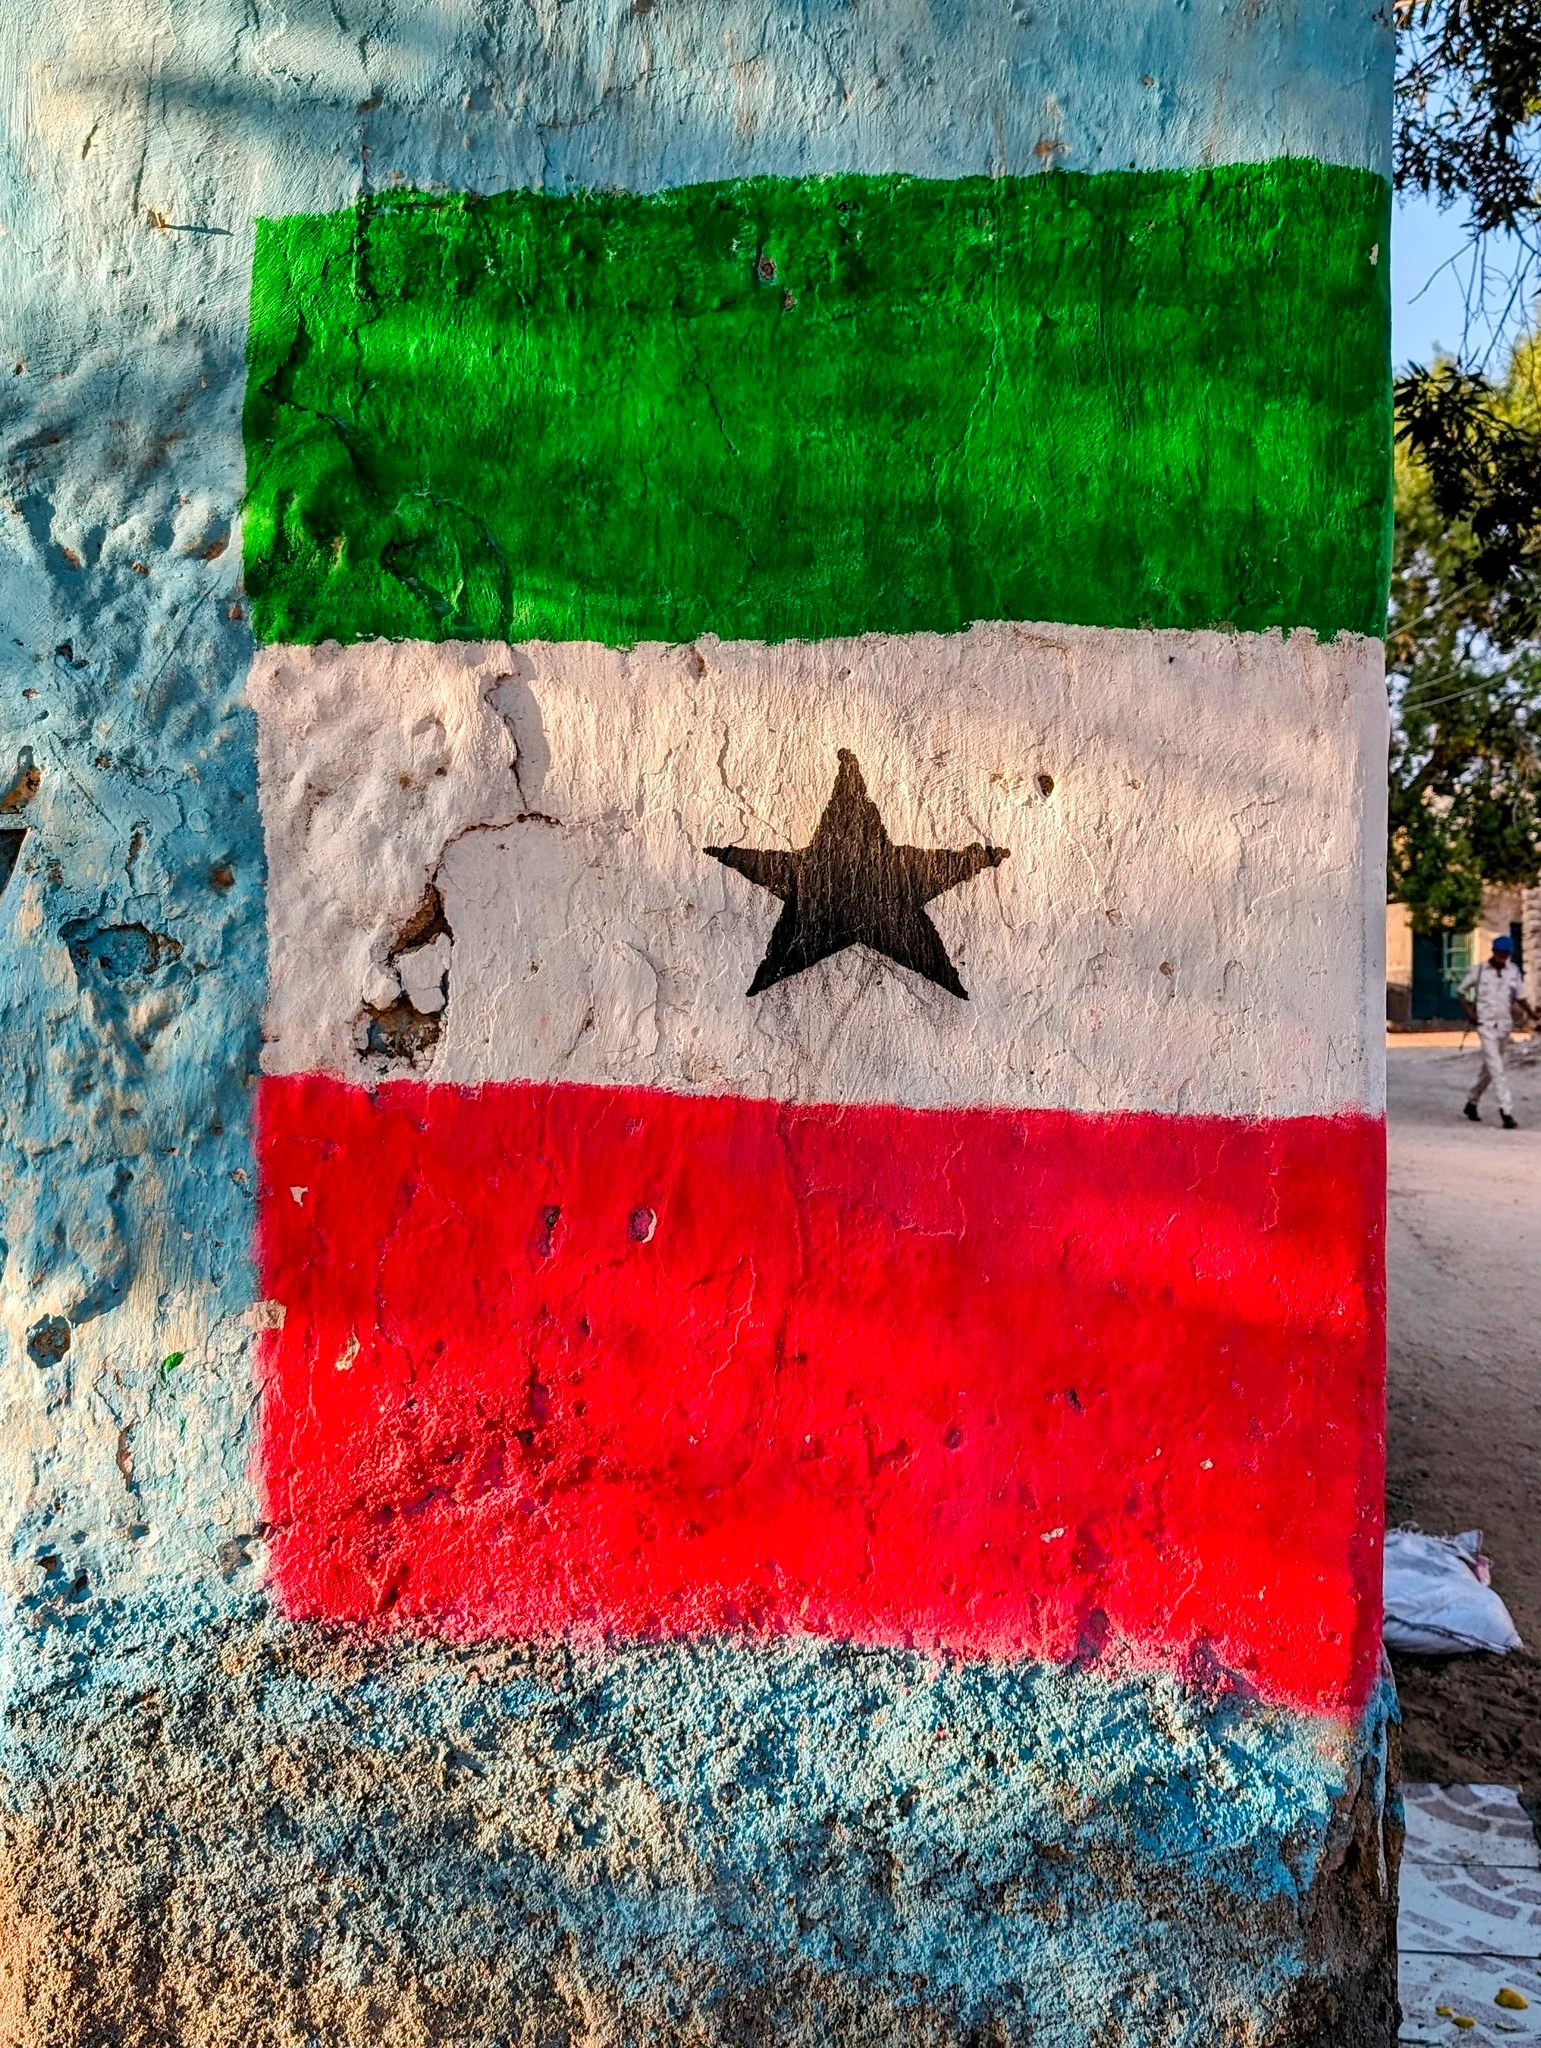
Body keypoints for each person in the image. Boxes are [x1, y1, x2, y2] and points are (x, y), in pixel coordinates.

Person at [1460, 934, 1532, 1129]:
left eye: (1505, 955)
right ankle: (1506, 1111)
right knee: (1497, 1068)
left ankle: (1472, 1101)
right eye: (1500, 955)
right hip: (1485, 1026)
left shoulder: (1513, 972)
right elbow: (1461, 992)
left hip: (1504, 1026)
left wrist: (1532, 1014)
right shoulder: (1480, 971)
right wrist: (1470, 1013)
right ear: (1493, 953)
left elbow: (1520, 997)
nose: (1502, 959)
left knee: (1490, 1068)